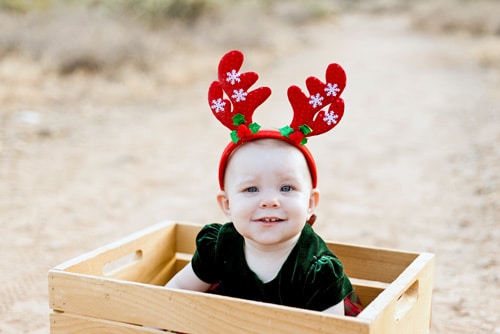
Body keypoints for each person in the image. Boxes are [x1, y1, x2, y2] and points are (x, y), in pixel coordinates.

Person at [166, 50, 361, 316]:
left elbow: (331, 330)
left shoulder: (317, 270)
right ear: (227, 204)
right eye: (251, 189)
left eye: (287, 188)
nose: (270, 200)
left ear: (311, 204)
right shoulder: (220, 247)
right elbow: (175, 292)